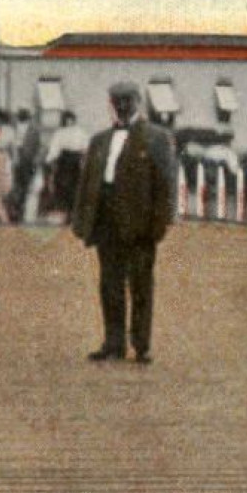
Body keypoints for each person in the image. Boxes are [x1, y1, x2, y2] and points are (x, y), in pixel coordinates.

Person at [71, 82, 177, 365]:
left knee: (140, 285)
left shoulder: (156, 138)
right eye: (116, 100)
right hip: (106, 223)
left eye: (127, 100)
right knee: (110, 285)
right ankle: (113, 343)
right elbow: (87, 184)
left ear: (138, 102)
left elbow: (166, 185)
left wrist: (160, 224)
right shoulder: (100, 140)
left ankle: (140, 345)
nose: (122, 105)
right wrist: (81, 221)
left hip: (140, 226)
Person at [44, 110, 88, 216]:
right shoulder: (61, 133)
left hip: (72, 161)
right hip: (65, 161)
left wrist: (49, 160)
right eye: (67, 120)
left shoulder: (79, 132)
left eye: (70, 120)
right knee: (65, 186)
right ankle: (67, 211)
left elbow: (85, 149)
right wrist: (50, 159)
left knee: (71, 186)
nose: (69, 123)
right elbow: (54, 149)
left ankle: (70, 211)